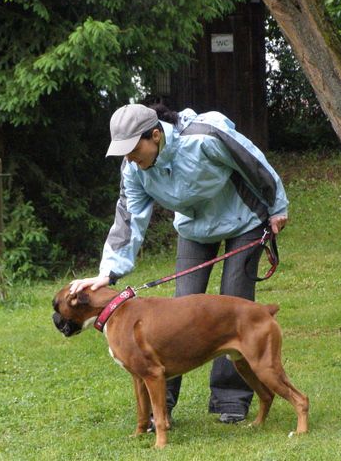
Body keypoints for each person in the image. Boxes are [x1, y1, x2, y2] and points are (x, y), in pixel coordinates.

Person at [69, 103, 288, 427]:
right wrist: (107, 273)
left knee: (233, 304)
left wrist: (277, 206)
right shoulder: (134, 170)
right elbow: (128, 220)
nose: (129, 158)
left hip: (243, 221)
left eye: (133, 149)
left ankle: (230, 399)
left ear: (155, 135)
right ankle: (163, 406)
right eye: (123, 153)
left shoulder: (204, 137)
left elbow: (252, 162)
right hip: (194, 230)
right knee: (177, 314)